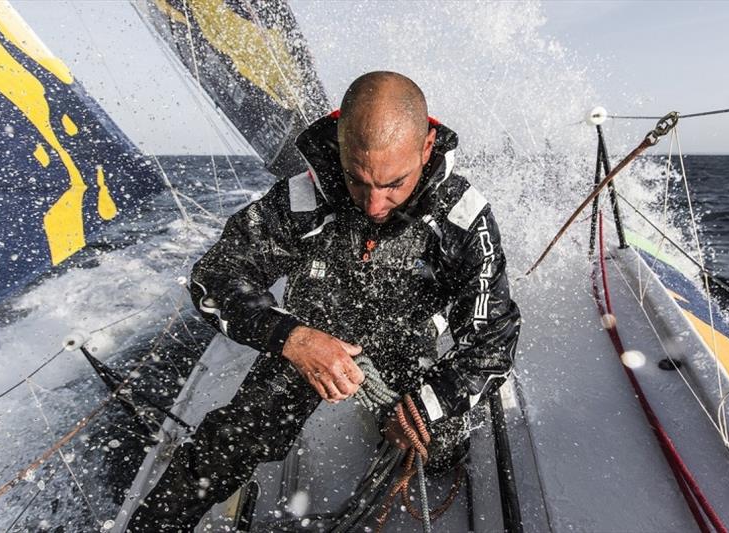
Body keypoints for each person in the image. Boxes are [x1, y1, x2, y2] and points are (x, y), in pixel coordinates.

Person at [127, 71, 520, 531]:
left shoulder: (461, 219)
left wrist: (429, 404)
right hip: (311, 338)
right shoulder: (301, 199)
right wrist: (290, 336)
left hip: (407, 348)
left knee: (438, 449)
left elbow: (494, 336)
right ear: (339, 143)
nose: (375, 205)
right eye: (358, 180)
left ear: (426, 147)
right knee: (232, 438)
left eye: (394, 183)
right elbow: (215, 275)